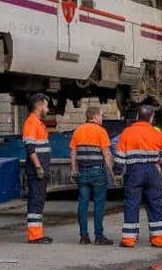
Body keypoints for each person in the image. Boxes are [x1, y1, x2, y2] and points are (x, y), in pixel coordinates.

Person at [113, 104, 162, 247]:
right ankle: (158, 239)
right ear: (151, 118)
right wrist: (160, 164)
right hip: (152, 171)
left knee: (131, 204)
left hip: (134, 171)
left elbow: (119, 158)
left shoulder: (127, 133)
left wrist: (117, 173)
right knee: (155, 204)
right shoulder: (157, 133)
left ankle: (129, 239)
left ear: (136, 117)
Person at [69, 105, 114, 245]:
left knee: (83, 203)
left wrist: (73, 170)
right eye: (101, 115)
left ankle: (83, 237)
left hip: (82, 172)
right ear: (95, 116)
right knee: (99, 204)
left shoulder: (78, 130)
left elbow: (73, 152)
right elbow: (106, 154)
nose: (102, 118)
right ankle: (99, 236)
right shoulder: (101, 131)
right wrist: (111, 173)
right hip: (97, 172)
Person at [22, 94, 53, 244]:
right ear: (39, 106)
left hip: (41, 169)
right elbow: (30, 148)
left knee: (39, 201)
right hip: (37, 170)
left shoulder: (38, 123)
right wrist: (39, 167)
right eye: (46, 106)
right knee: (35, 201)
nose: (47, 109)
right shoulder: (31, 123)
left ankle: (38, 234)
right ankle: (34, 236)